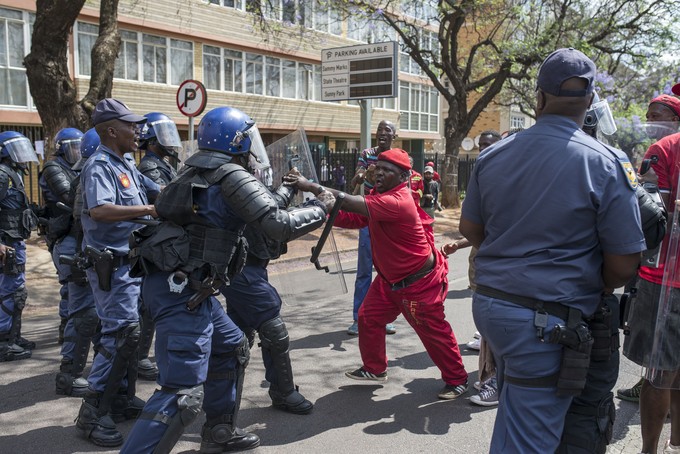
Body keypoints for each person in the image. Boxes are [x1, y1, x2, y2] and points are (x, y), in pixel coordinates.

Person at [459, 48, 645, 452]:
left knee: (514, 416)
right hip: (544, 323)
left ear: (539, 99)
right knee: (532, 437)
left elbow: (471, 229)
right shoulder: (607, 162)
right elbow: (624, 264)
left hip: (492, 309)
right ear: (591, 101)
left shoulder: (493, 155)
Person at [120, 106, 330, 454]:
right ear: (236, 140)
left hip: (186, 287)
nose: (251, 145)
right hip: (181, 292)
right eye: (248, 137)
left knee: (231, 347)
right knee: (181, 393)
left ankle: (220, 430)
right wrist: (321, 206)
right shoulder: (230, 173)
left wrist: (288, 191)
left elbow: (254, 211)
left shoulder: (194, 170)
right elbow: (278, 224)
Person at [286, 148, 469, 399]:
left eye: (387, 170)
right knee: (368, 317)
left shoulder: (398, 200)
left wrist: (310, 186)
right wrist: (325, 212)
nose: (379, 172)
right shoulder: (379, 193)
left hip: (418, 283)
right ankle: (375, 369)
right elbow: (354, 218)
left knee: (433, 333)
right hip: (389, 280)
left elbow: (348, 201)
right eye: (378, 167)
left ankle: (457, 380)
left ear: (403, 177)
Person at [74, 98, 161, 447]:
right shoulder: (99, 165)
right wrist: (151, 210)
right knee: (119, 336)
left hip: (132, 264)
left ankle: (121, 399)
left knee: (132, 335)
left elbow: (159, 192)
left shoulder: (125, 163)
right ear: (112, 130)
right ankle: (92, 414)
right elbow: (100, 210)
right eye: (131, 125)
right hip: (112, 266)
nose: (138, 130)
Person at [619, 94, 680, 454]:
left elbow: (654, 219)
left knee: (659, 373)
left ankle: (649, 451)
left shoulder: (664, 148)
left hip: (665, 280)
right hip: (666, 277)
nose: (650, 120)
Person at [50, 128, 100, 397]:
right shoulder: (87, 175)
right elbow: (81, 218)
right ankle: (68, 375)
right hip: (75, 244)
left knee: (99, 316)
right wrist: (82, 255)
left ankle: (103, 374)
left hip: (88, 247)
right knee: (83, 314)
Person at [135, 111, 183, 382]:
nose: (170, 141)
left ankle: (145, 354)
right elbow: (167, 197)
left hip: (165, 236)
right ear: (151, 141)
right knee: (149, 305)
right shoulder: (150, 167)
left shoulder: (162, 162)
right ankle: (140, 356)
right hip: (156, 238)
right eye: (163, 135)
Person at [347, 120, 398, 336]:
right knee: (364, 269)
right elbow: (355, 179)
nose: (382, 133)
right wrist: (360, 176)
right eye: (379, 130)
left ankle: (384, 317)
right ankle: (359, 318)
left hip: (389, 218)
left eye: (387, 130)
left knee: (388, 271)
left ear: (394, 135)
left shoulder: (398, 157)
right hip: (369, 216)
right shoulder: (367, 154)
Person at [39, 127, 84, 344]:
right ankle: (66, 333)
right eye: (73, 147)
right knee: (70, 286)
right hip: (64, 234)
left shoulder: (78, 167)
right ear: (61, 149)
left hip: (80, 233)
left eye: (79, 146)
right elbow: (69, 196)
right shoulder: (52, 167)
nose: (77, 151)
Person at [0, 131, 39, 362]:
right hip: (7, 244)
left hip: (15, 240)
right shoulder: (2, 175)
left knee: (16, 292)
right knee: (10, 293)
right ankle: (4, 340)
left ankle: (14, 336)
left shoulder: (14, 174)